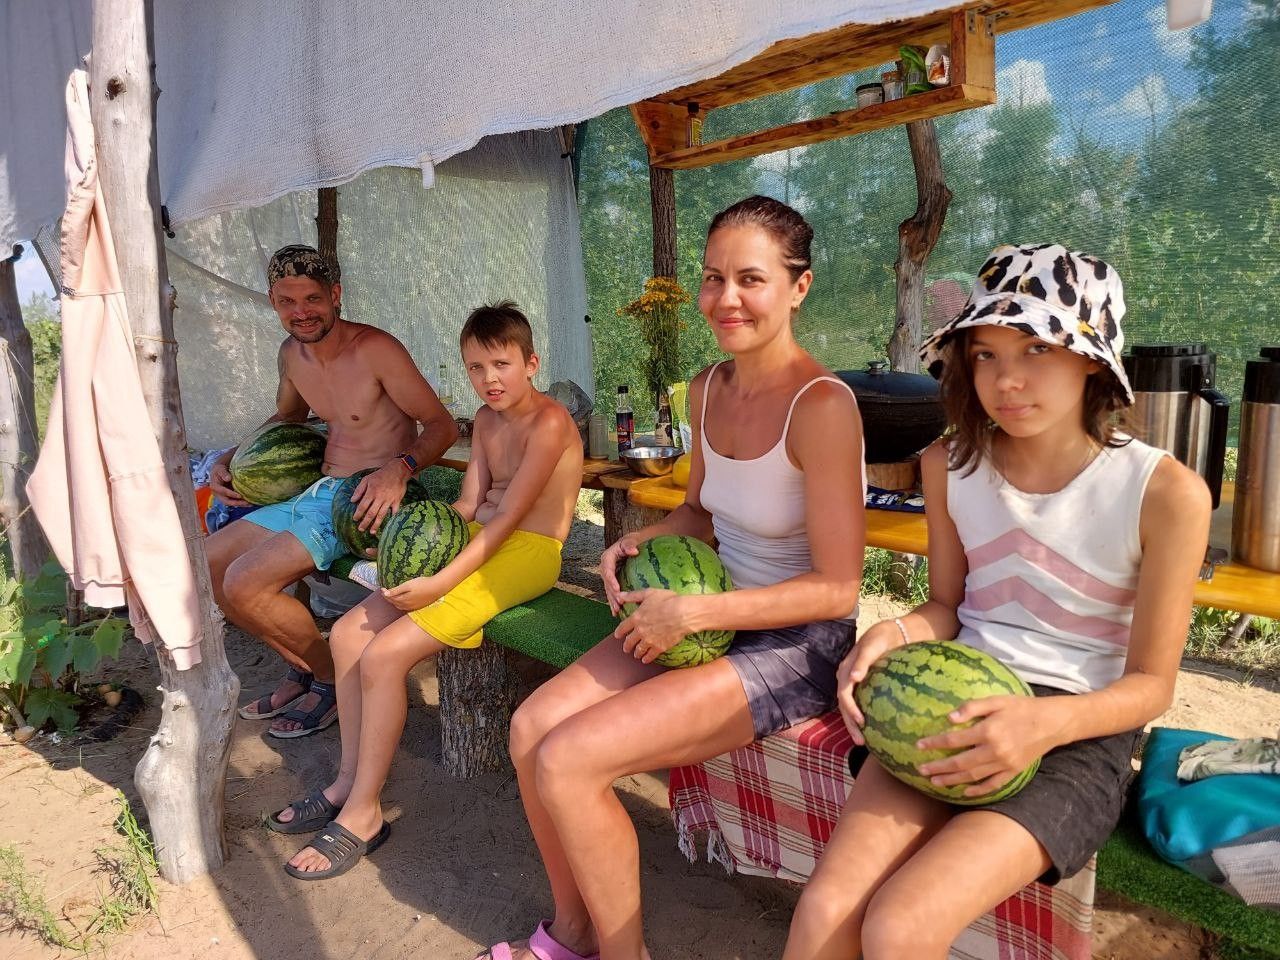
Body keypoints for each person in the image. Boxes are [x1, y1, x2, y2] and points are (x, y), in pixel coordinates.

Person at [783, 244, 1212, 960]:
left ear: (1092, 361)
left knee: (900, 926)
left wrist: (1040, 725)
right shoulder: (948, 465)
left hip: (1077, 734)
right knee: (827, 910)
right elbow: (947, 606)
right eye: (984, 354)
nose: (1005, 380)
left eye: (1037, 348)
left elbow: (1151, 685)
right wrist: (893, 634)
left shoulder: (1166, 494)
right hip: (953, 706)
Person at [480, 196, 866, 960]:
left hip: (795, 643)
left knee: (569, 759)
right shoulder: (706, 387)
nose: (726, 298)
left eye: (750, 279)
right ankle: (574, 931)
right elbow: (698, 513)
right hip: (704, 612)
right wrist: (643, 541)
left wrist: (694, 614)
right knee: (530, 730)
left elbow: (839, 590)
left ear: (799, 287)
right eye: (713, 277)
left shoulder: (822, 406)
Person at [270, 301, 584, 880]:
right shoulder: (485, 420)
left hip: (528, 551)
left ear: (531, 363)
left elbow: (509, 519)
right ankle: (346, 782)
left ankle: (365, 813)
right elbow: (467, 505)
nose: (489, 379)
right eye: (475, 368)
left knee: (385, 656)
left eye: (501, 365)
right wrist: (401, 543)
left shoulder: (551, 423)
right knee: (347, 636)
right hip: (479, 539)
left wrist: (440, 579)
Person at [207, 245, 458, 738]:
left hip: (364, 501)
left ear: (335, 295)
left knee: (243, 583)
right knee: (208, 567)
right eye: (287, 301)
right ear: (273, 301)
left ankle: (328, 682)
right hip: (314, 492)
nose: (301, 312)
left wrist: (399, 469)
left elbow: (442, 425)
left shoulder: (375, 349)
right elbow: (289, 416)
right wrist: (230, 457)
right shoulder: (290, 355)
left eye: (312, 299)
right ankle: (305, 668)